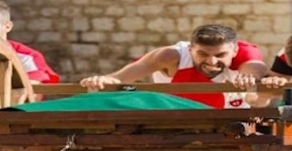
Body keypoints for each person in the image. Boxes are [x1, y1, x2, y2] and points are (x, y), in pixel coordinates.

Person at [80, 24, 268, 108]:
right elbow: (119, 78)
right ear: (190, 49)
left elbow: (254, 76)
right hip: (176, 123)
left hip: (227, 127)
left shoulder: (248, 56)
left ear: (234, 52)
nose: (211, 62)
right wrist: (101, 80)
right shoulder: (170, 56)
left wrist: (251, 84)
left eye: (220, 55)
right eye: (202, 54)